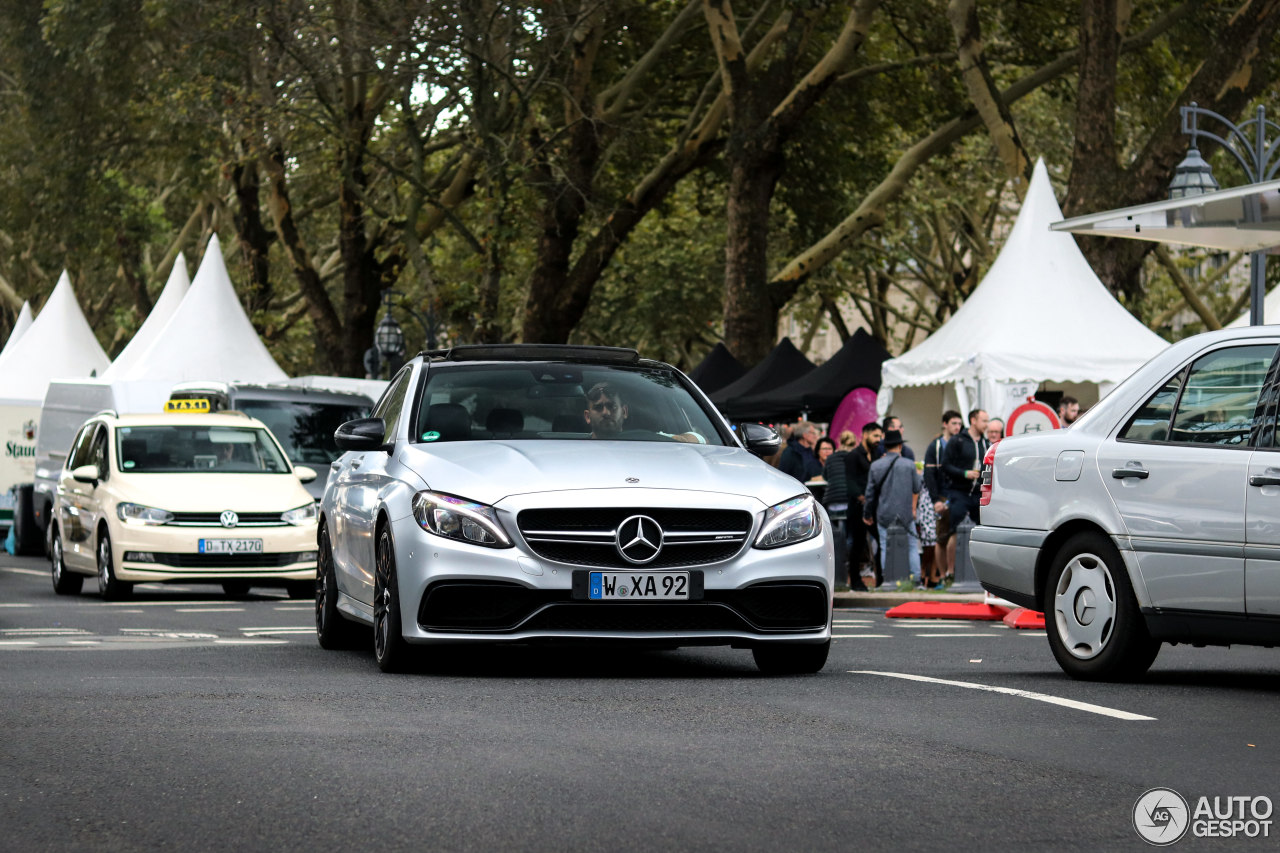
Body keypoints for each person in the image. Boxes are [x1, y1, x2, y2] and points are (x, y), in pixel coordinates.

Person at [862, 429, 922, 587]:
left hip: (884, 513)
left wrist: (867, 513)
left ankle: (888, 579)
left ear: (885, 446)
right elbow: (917, 488)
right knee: (911, 547)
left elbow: (869, 494)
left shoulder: (876, 465)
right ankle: (916, 580)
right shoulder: (909, 465)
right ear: (900, 446)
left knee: (884, 546)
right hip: (905, 513)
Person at [583, 382, 700, 442]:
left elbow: (700, 439)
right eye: (598, 408)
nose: (606, 413)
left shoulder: (649, 440)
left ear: (624, 412)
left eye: (612, 406)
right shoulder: (576, 448)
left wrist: (678, 441)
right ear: (587, 416)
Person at [924, 410, 963, 583]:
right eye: (954, 423)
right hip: (941, 495)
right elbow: (929, 474)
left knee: (955, 534)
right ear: (945, 424)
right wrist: (935, 500)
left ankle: (951, 573)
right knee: (941, 537)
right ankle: (942, 576)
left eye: (959, 424)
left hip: (958, 495)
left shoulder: (962, 443)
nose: (957, 427)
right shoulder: (936, 446)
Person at [941, 408, 990, 537]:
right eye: (984, 421)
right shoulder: (957, 440)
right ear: (973, 420)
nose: (986, 425)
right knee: (955, 532)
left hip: (978, 495)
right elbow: (945, 465)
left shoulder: (985, 443)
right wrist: (964, 473)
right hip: (959, 493)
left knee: (980, 532)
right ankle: (953, 558)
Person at [847, 421, 884, 587]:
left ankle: (881, 579)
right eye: (875, 436)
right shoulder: (854, 455)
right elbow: (850, 481)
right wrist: (861, 496)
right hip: (857, 507)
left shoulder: (877, 454)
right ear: (865, 434)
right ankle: (855, 581)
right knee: (858, 544)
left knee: (881, 542)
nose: (878, 439)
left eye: (880, 436)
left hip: (874, 507)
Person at [821, 430, 858, 588]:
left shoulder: (831, 458)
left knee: (834, 537)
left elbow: (825, 476)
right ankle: (848, 566)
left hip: (832, 499)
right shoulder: (855, 457)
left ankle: (837, 567)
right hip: (848, 500)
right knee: (850, 538)